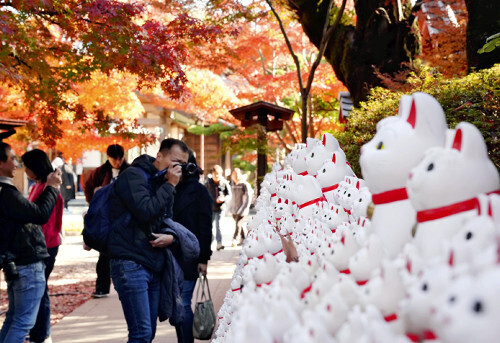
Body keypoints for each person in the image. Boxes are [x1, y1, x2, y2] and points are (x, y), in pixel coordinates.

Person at [108, 138, 188, 342]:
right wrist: (170, 185)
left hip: (152, 262)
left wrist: (172, 238)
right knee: (141, 333)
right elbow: (145, 211)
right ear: (159, 156)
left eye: (183, 164)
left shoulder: (161, 181)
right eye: (175, 161)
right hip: (130, 262)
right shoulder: (133, 176)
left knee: (147, 333)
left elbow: (166, 220)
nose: (178, 167)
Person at [0, 142, 62, 343]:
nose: (16, 164)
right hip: (26, 261)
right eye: (12, 158)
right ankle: (41, 335)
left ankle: (41, 334)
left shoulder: (9, 191)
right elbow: (40, 215)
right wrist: (52, 187)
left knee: (16, 318)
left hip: (20, 259)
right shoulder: (6, 193)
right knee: (22, 322)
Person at [21, 149, 64, 343]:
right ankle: (40, 332)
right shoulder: (38, 185)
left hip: (45, 246)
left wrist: (40, 248)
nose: (24, 170)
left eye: (26, 167)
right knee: (41, 289)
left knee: (40, 289)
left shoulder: (49, 188)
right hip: (42, 244)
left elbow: (48, 223)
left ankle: (41, 333)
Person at [173, 150, 213, 343]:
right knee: (178, 303)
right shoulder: (169, 187)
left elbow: (205, 225)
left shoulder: (199, 191)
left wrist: (204, 259)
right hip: (171, 254)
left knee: (182, 301)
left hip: (190, 255)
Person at [83, 144, 130, 298]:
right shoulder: (100, 172)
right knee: (104, 254)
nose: (117, 162)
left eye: (120, 159)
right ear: (108, 157)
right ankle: (102, 287)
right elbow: (88, 186)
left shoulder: (129, 171)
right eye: (114, 159)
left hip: (123, 216)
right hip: (105, 216)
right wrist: (94, 204)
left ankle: (126, 284)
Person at [205, 165, 230, 251]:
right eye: (215, 174)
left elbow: (229, 195)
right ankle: (209, 244)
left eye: (218, 174)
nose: (217, 176)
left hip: (220, 208)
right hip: (210, 208)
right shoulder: (207, 184)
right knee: (209, 226)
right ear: (212, 174)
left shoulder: (224, 183)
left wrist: (224, 199)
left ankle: (219, 243)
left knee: (218, 226)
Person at [228, 168, 252, 247]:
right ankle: (244, 238)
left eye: (237, 174)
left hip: (242, 208)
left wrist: (245, 208)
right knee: (239, 224)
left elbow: (248, 198)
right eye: (234, 174)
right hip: (233, 209)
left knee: (238, 224)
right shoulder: (230, 184)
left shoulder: (244, 185)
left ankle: (235, 239)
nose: (235, 176)